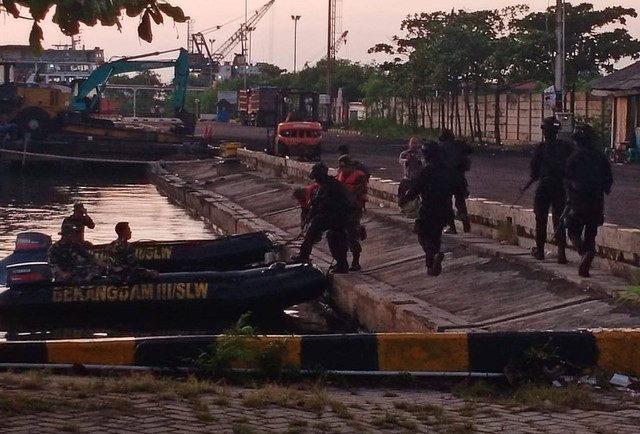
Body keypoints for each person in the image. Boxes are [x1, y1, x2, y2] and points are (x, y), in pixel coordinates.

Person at [564, 123, 613, 277]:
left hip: (578, 202)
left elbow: (568, 180)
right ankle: (588, 257)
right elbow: (608, 180)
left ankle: (584, 252)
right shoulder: (601, 157)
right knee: (591, 234)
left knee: (572, 231)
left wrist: (569, 200)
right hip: (597, 202)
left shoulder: (574, 157)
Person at [523, 116, 574, 263]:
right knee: (559, 220)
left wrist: (527, 185)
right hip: (560, 187)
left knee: (541, 219)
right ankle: (561, 253)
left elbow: (534, 172)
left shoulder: (541, 148)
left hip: (544, 187)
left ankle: (540, 251)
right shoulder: (566, 147)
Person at [398, 142, 453, 276]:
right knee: (436, 236)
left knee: (422, 235)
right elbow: (457, 187)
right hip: (445, 210)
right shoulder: (446, 170)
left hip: (429, 209)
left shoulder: (426, 171)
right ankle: (431, 266)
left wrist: (404, 200)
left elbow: (415, 189)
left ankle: (432, 256)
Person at [292, 162, 353, 273]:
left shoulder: (333, 187)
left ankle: (305, 254)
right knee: (324, 232)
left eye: (317, 177)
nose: (316, 180)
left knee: (321, 229)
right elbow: (317, 204)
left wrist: (315, 212)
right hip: (336, 216)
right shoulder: (325, 186)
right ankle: (341, 264)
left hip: (340, 217)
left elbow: (327, 205)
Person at [337, 154, 369, 271]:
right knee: (340, 235)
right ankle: (341, 261)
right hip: (342, 209)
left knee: (352, 234)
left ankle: (356, 261)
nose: (342, 170)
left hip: (354, 209)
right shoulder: (340, 175)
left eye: (344, 167)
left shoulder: (359, 176)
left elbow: (358, 191)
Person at [437, 129, 473, 234]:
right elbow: (470, 150)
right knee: (460, 201)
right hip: (460, 177)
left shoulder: (440, 148)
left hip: (445, 179)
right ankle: (465, 220)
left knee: (447, 203)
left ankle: (452, 227)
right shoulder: (459, 145)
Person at [397, 136, 424, 216]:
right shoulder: (405, 153)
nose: (414, 145)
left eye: (415, 143)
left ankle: (418, 208)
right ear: (409, 144)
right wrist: (407, 160)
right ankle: (401, 206)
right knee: (401, 191)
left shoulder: (421, 154)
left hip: (417, 179)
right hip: (407, 178)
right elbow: (400, 161)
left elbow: (424, 162)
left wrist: (418, 161)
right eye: (412, 143)